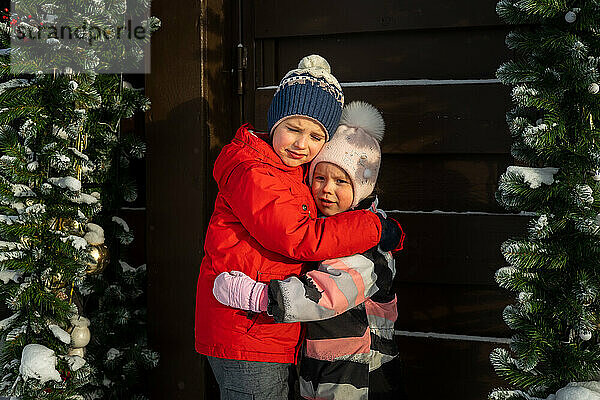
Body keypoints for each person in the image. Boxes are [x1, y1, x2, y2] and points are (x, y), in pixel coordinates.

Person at [194, 55, 403, 400]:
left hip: (274, 336)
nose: (301, 144)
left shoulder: (291, 173)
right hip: (246, 330)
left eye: (316, 135)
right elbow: (300, 237)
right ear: (275, 121)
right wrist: (375, 227)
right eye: (293, 128)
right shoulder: (255, 172)